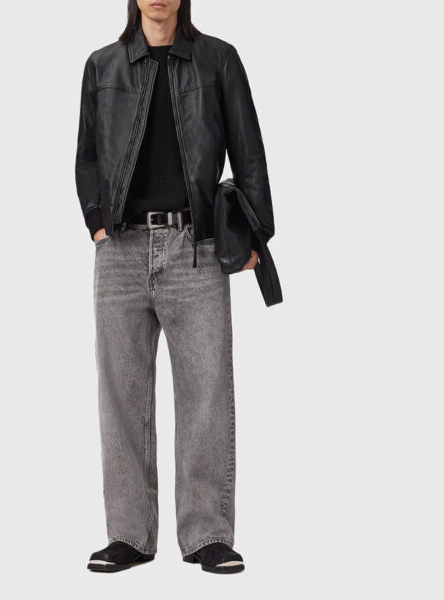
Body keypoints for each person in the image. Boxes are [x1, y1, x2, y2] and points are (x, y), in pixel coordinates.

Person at [74, 0, 275, 574]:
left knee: (207, 392)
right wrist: (97, 223)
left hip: (197, 247)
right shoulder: (101, 65)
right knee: (120, 396)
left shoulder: (218, 60)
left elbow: (249, 151)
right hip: (120, 250)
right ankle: (129, 535)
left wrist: (255, 230)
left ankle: (208, 534)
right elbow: (87, 157)